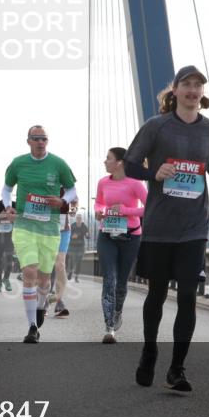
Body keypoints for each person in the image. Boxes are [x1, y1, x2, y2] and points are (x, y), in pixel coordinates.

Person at [124, 66, 209, 394]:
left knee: (187, 296)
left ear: (202, 93)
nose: (193, 90)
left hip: (195, 225)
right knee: (156, 293)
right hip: (159, 225)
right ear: (176, 90)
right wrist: (154, 173)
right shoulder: (157, 126)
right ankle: (149, 351)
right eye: (187, 84)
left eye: (198, 86)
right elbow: (129, 164)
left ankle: (177, 368)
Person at [1, 125, 79, 343]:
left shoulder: (58, 163)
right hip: (24, 226)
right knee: (30, 272)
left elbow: (72, 189)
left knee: (44, 278)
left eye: (44, 138)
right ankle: (32, 327)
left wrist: (62, 200)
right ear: (28, 141)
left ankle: (41, 305)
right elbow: (6, 189)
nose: (40, 142)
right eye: (36, 138)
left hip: (49, 229)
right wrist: (8, 206)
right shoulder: (18, 163)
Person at [94, 147, 147, 343]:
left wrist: (125, 210)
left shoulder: (135, 183)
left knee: (121, 282)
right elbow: (99, 202)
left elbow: (149, 207)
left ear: (119, 163)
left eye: (108, 158)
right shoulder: (103, 182)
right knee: (109, 279)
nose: (104, 161)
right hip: (107, 235)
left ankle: (117, 312)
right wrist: (99, 211)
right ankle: (109, 327)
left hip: (130, 237)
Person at [49, 196, 76, 318]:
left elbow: (74, 203)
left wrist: (73, 208)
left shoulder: (68, 188)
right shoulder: (42, 185)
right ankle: (42, 301)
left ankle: (59, 301)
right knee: (46, 265)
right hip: (44, 229)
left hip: (63, 229)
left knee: (60, 264)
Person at [66, 212, 90, 282]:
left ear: (82, 219)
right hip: (72, 246)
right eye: (78, 218)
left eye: (80, 218)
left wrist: (87, 235)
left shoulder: (84, 226)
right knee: (72, 260)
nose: (79, 219)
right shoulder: (72, 226)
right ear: (76, 219)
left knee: (79, 261)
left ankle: (76, 276)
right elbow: (68, 235)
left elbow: (87, 235)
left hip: (80, 246)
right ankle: (70, 271)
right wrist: (72, 236)